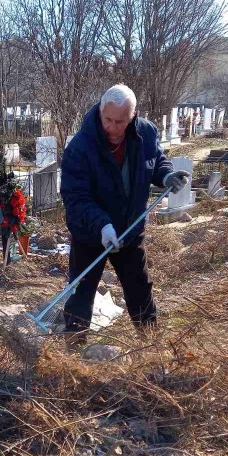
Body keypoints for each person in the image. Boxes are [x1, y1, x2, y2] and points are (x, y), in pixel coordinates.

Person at [60, 85, 189, 339]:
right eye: (108, 119)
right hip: (90, 233)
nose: (113, 127)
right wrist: (102, 226)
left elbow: (156, 162)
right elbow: (76, 198)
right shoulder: (80, 147)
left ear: (133, 116)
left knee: (139, 288)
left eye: (121, 121)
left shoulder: (146, 133)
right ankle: (73, 351)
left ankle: (151, 344)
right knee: (81, 292)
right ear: (100, 111)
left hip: (130, 229)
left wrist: (166, 175)